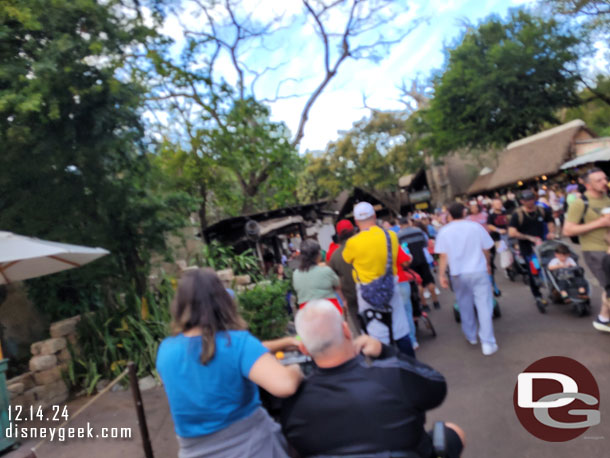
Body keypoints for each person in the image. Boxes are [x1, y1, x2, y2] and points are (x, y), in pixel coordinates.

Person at [280, 300, 465, 458]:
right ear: (346, 330)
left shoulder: (292, 403)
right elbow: (437, 388)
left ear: (304, 349)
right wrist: (386, 352)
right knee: (453, 431)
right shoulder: (391, 375)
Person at [156, 268, 302, 458]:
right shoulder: (237, 343)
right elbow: (285, 386)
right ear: (222, 301)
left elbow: (216, 354)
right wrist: (295, 369)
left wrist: (285, 343)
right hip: (251, 447)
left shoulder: (166, 350)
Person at [342, 202, 414, 357]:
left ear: (355, 221)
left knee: (376, 334)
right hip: (390, 286)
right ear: (374, 216)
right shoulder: (391, 236)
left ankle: (384, 368)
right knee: (399, 328)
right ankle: (410, 364)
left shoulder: (352, 243)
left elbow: (347, 259)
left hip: (366, 292)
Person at [435, 203, 498, 356]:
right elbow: (486, 248)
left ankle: (471, 336)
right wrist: (488, 263)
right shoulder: (475, 227)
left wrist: (441, 275)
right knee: (484, 305)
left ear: (449, 214)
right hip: (478, 270)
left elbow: (443, 256)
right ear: (464, 212)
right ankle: (487, 342)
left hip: (458, 273)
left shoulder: (444, 231)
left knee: (464, 305)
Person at [563, 168, 610, 332]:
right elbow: (567, 230)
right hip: (595, 250)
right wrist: (600, 223)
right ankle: (603, 319)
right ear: (588, 185)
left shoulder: (608, 199)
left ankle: (603, 319)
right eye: (599, 180)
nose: (604, 182)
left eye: (605, 179)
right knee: (609, 286)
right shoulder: (580, 203)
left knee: (608, 288)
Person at [508, 189, 556, 312]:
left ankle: (556, 290)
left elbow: (550, 220)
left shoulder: (541, 210)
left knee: (552, 266)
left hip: (545, 246)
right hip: (529, 250)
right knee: (534, 271)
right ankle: (538, 295)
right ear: (522, 201)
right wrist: (529, 238)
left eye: (532, 199)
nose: (530, 202)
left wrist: (551, 232)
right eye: (527, 200)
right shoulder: (517, 215)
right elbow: (512, 232)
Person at [398, 217, 441, 311]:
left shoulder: (399, 236)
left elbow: (400, 250)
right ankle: (436, 302)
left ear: (400, 225)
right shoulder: (418, 231)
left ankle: (425, 305)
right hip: (422, 259)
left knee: (418, 283)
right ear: (408, 222)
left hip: (411, 262)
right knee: (429, 280)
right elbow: (425, 244)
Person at [292, 239, 343, 314]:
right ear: (317, 255)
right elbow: (338, 286)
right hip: (329, 310)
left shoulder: (295, 274)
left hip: (306, 313)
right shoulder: (326, 270)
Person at [328, 219, 360, 336]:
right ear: (353, 230)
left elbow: (333, 279)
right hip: (371, 290)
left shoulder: (335, 255)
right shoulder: (362, 245)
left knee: (359, 326)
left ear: (338, 235)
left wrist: (343, 299)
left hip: (351, 296)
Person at [487, 198, 509, 296]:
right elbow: (489, 226)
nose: (499, 205)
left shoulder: (506, 212)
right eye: (497, 204)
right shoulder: (491, 216)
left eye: (500, 203)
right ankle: (507, 268)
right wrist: (498, 230)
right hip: (498, 238)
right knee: (503, 252)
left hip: (509, 236)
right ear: (493, 205)